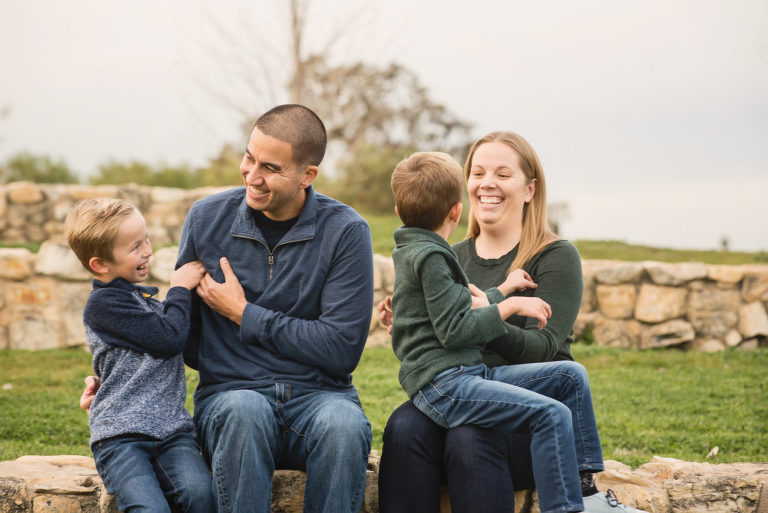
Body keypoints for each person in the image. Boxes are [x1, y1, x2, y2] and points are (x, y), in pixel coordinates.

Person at [83, 104, 374, 513]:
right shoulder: (206, 219)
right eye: (249, 157)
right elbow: (178, 333)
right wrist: (118, 376)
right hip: (231, 395)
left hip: (320, 398)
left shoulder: (346, 232)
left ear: (307, 175)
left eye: (270, 168)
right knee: (244, 410)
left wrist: (243, 314)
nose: (252, 175)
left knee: (344, 426)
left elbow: (342, 349)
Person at [379, 132, 646, 513]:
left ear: (529, 189)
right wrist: (409, 323)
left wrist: (488, 314)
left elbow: (542, 348)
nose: (487, 183)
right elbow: (442, 335)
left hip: (522, 419)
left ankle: (586, 492)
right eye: (478, 172)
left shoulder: (554, 256)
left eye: (503, 174)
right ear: (462, 192)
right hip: (461, 388)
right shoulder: (443, 255)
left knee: (471, 436)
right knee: (404, 426)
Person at [65, 198, 214, 513]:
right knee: (150, 508)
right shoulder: (104, 304)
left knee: (201, 497)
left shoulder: (146, 303)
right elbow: (168, 339)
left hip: (173, 432)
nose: (148, 250)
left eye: (146, 240)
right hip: (122, 436)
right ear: (100, 264)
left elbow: (184, 345)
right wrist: (180, 290)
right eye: (135, 247)